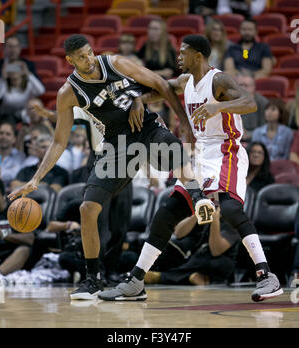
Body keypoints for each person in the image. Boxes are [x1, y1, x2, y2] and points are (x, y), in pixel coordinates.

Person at [7, 34, 215, 300]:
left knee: (172, 148)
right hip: (116, 144)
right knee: (87, 208)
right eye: (81, 57)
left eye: (90, 52)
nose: (89, 59)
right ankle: (93, 279)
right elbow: (59, 141)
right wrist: (36, 179)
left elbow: (160, 83)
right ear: (70, 61)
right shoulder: (67, 93)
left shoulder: (114, 63)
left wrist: (182, 121)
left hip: (146, 128)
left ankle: (198, 198)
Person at [99, 35, 283, 303]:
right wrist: (138, 99)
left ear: (198, 55)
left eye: (183, 53)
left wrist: (218, 106)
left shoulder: (218, 80)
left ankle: (267, 276)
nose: (179, 57)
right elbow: (161, 88)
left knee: (230, 209)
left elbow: (249, 103)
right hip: (200, 155)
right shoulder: (186, 82)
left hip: (225, 150)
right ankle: (136, 281)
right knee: (167, 213)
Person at [144, 207, 240, 286]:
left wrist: (215, 220)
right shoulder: (205, 209)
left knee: (209, 261)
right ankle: (194, 277)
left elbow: (215, 250)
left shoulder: (232, 219)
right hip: (194, 257)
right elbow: (178, 233)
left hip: (215, 260)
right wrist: (196, 214)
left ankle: (160, 277)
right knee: (168, 249)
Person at [0, 179, 34, 283]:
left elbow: (30, 239)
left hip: (12, 252)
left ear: (3, 195)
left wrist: (3, 235)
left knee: (24, 250)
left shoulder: (17, 210)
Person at [235, 69, 268, 143]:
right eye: (240, 85)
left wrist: (249, 134)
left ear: (253, 87)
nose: (243, 88)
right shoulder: (229, 102)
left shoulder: (262, 103)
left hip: (255, 142)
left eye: (246, 85)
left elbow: (265, 129)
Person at [0, 119, 26, 191]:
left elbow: (15, 175)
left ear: (14, 139)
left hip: (10, 195)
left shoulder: (20, 156)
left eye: (8, 134)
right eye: (1, 133)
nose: (3, 136)